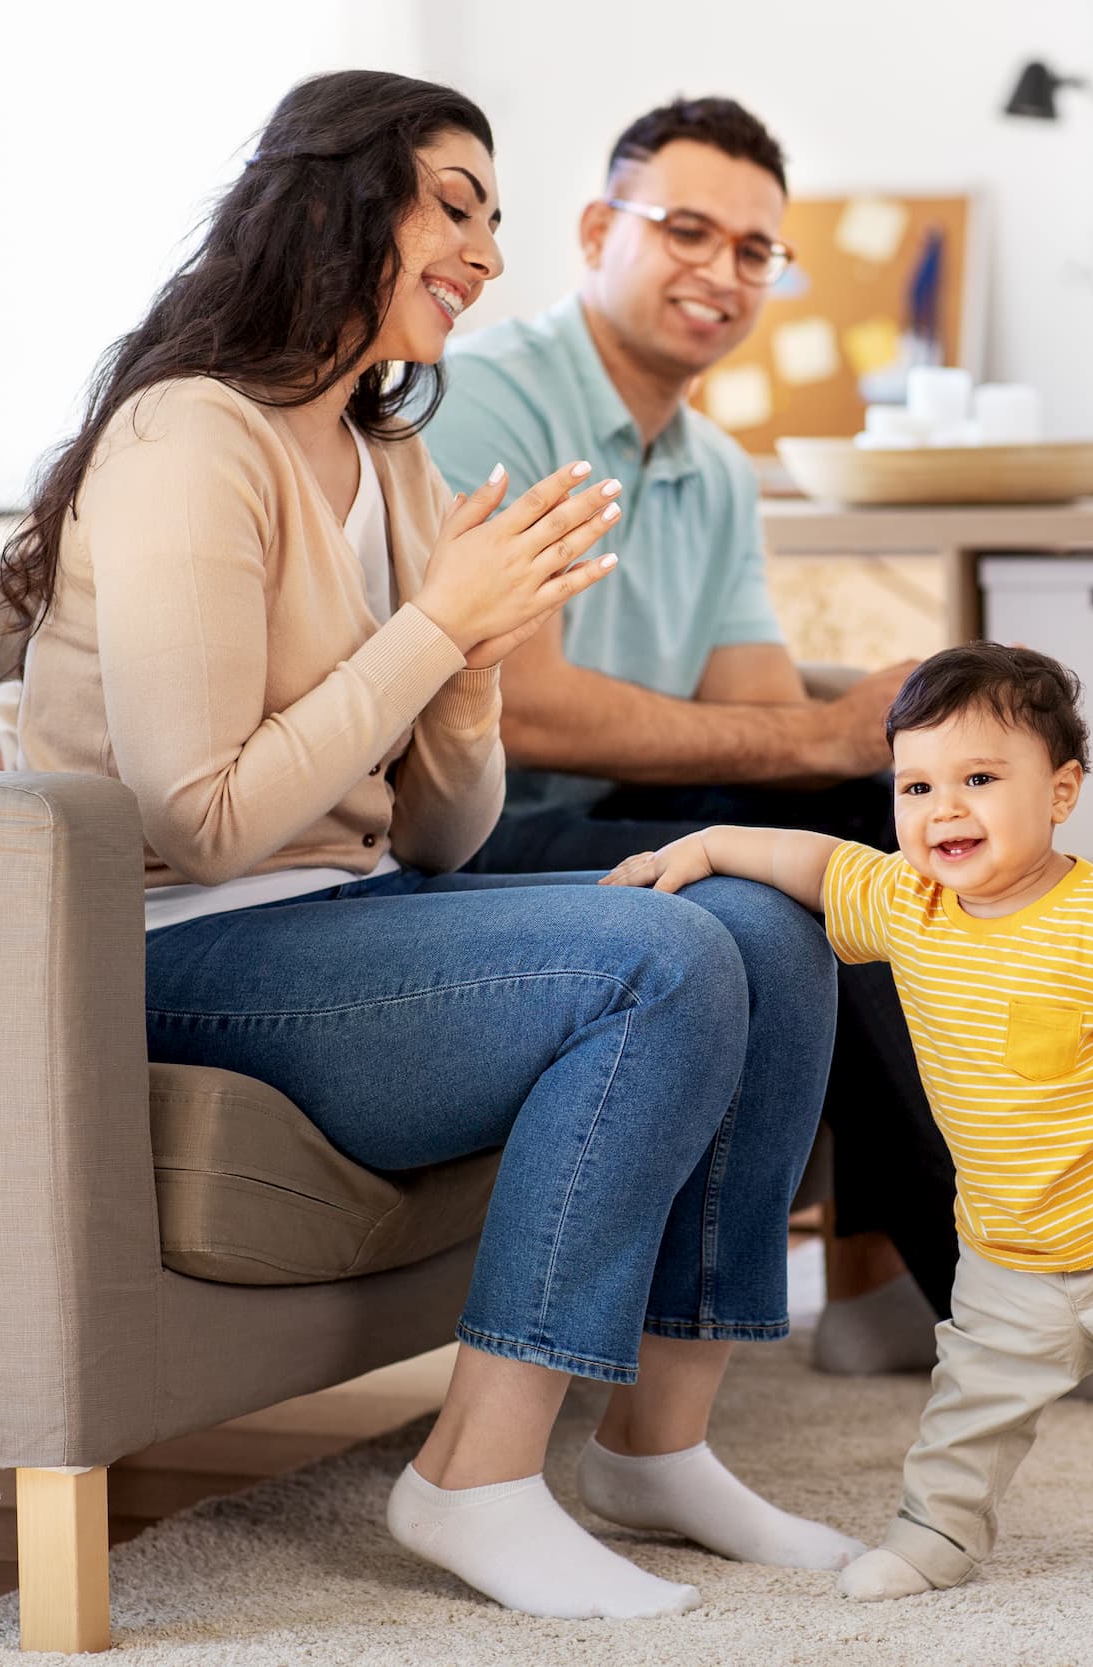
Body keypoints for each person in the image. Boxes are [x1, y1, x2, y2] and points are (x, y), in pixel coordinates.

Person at [0, 69, 860, 1623]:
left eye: (493, 218)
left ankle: (658, 1443)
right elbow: (197, 813)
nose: (483, 250)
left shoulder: (388, 452)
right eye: (453, 206)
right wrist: (435, 624)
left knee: (765, 914)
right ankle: (472, 1473)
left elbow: (446, 838)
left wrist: (467, 666)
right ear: (336, 205)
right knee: (658, 960)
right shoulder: (193, 436)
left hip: (349, 908)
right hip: (175, 941)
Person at [601, 644, 1093, 1643]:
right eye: (916, 784)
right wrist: (714, 843)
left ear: (1061, 789)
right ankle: (937, 1533)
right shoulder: (911, 902)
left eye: (980, 779)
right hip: (1006, 1241)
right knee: (970, 1406)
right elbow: (816, 861)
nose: (944, 809)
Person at [421, 95, 964, 1372]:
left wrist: (882, 742)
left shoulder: (713, 466)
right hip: (472, 823)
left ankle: (962, 1271)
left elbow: (765, 709)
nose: (722, 272)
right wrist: (820, 739)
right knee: (819, 845)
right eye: (687, 231)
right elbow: (525, 702)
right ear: (599, 229)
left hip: (610, 815)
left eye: (755, 250)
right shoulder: (485, 404)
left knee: (897, 828)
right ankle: (997, 1292)